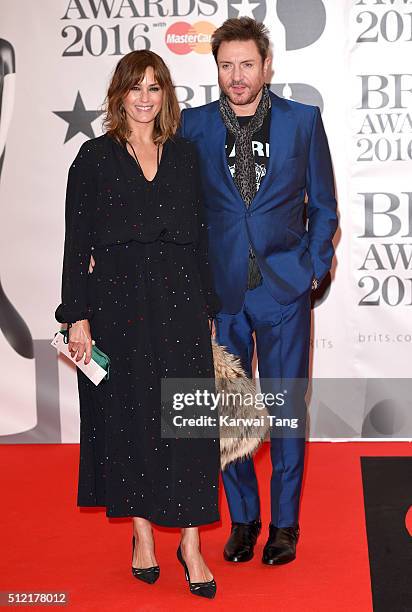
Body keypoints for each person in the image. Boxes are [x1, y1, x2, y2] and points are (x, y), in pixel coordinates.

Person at [55, 50, 220, 599]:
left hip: (180, 299)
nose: (146, 97)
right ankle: (143, 534)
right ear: (119, 94)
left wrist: (209, 310)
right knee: (131, 420)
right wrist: (75, 314)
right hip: (117, 305)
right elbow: (76, 245)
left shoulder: (184, 156)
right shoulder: (94, 158)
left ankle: (191, 543)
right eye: (136, 87)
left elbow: (200, 237)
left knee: (188, 424)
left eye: (155, 87)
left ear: (165, 94)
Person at [180, 17, 338, 566]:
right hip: (220, 294)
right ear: (217, 68)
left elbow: (324, 207)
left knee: (287, 411)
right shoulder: (193, 126)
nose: (237, 76)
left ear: (268, 66)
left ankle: (285, 525)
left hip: (284, 290)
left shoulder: (302, 122)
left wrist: (313, 270)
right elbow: (183, 212)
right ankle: (244, 520)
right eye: (227, 65)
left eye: (247, 64)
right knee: (228, 413)